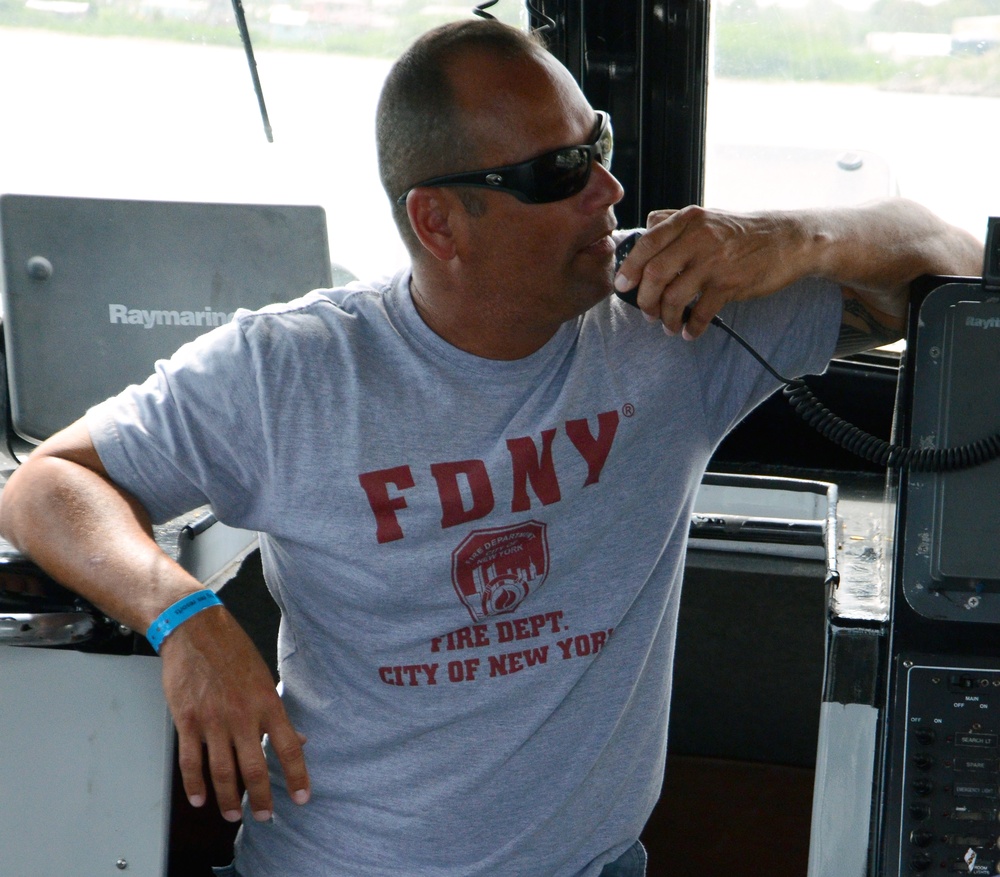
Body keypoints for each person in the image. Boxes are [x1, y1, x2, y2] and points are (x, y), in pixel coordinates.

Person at [0, 18, 983, 877]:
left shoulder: (668, 326)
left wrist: (796, 234)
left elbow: (959, 270)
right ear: (439, 221)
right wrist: (187, 618)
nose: (609, 183)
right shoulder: (291, 373)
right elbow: (47, 483)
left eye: (595, 142)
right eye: (556, 172)